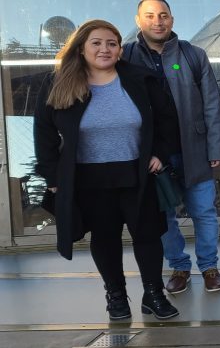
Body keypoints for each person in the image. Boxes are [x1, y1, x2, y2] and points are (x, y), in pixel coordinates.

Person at [34, 20, 180, 319]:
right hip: (89, 179)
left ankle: (153, 295)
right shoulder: (59, 83)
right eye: (97, 43)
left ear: (119, 50)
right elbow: (44, 134)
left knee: (148, 236)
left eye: (112, 44)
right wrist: (53, 177)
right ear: (81, 48)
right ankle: (116, 296)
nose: (105, 49)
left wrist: (159, 153)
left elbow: (167, 119)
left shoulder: (141, 79)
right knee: (104, 238)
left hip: (137, 174)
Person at [123, 0, 220, 294]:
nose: (158, 21)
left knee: (204, 213)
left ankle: (209, 267)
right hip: (152, 155)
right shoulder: (126, 57)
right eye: (150, 16)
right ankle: (179, 267)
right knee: (164, 216)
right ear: (138, 21)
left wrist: (216, 147)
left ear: (172, 19)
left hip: (193, 149)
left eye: (163, 15)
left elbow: (212, 104)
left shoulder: (193, 55)